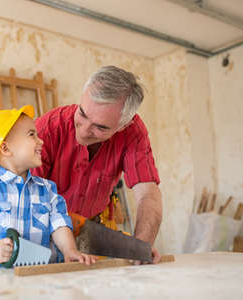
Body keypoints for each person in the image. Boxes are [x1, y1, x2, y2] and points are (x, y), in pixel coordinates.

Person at [32, 66, 163, 263]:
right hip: (44, 230)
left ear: (123, 125)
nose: (84, 131)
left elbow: (147, 193)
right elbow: (29, 203)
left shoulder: (133, 132)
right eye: (82, 114)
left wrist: (139, 247)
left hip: (94, 227)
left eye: (100, 127)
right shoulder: (46, 130)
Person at [0, 105, 96, 268]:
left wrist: (69, 250)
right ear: (6, 148)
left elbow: (59, 224)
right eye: (31, 135)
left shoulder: (47, 190)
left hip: (40, 279)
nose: (40, 140)